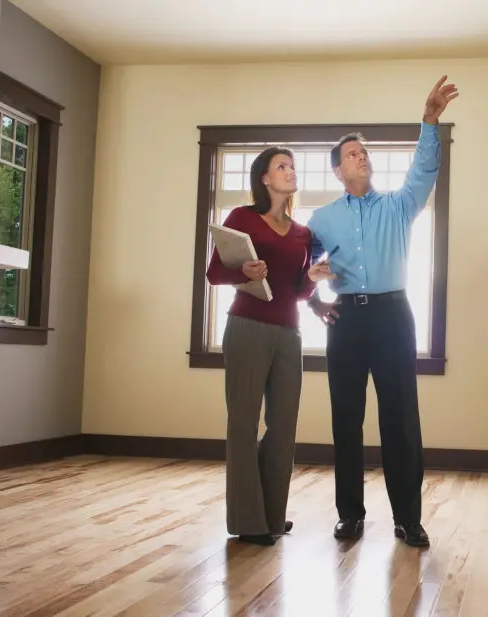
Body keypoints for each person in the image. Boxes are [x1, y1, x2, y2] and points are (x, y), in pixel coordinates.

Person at [305, 76, 459, 548]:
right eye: (353, 153)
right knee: (346, 420)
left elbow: (424, 172)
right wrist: (315, 301)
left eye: (365, 152)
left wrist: (429, 120)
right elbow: (303, 269)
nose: (362, 157)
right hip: (346, 321)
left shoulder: (398, 205)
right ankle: (350, 514)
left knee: (400, 420)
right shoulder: (321, 219)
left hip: (393, 318)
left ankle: (408, 519)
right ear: (337, 170)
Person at [206, 147, 334, 546]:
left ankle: (271, 517)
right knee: (243, 425)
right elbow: (213, 273)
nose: (290, 172)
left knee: (283, 426)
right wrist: (241, 270)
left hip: (288, 333)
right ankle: (248, 521)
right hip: (246, 326)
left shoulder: (302, 234)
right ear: (264, 178)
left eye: (292, 167)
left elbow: (296, 291)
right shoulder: (242, 218)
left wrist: (312, 279)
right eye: (282, 166)